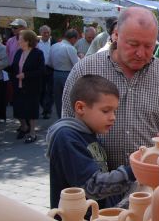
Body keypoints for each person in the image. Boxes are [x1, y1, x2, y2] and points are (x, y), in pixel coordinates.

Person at [62, 7, 159, 170]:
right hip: (95, 178)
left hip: (150, 178)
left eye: (148, 46)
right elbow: (67, 123)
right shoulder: (84, 70)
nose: (140, 53)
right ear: (116, 35)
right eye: (133, 44)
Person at [47, 75, 136, 209]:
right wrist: (135, 170)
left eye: (114, 111)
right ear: (80, 108)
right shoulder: (66, 137)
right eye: (106, 111)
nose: (113, 117)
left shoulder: (88, 133)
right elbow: (92, 186)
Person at [10, 29, 45, 143]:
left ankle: (32, 132)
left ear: (27, 41)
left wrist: (26, 75)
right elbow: (14, 67)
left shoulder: (37, 53)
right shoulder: (19, 52)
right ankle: (24, 127)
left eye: (20, 39)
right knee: (18, 107)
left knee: (31, 109)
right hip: (18, 85)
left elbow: (41, 71)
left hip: (32, 86)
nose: (18, 41)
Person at [49, 29, 79, 118]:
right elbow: (76, 64)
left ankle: (60, 117)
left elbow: (49, 62)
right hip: (67, 75)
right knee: (69, 99)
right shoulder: (70, 48)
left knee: (58, 100)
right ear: (73, 38)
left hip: (55, 74)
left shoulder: (53, 46)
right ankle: (69, 118)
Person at [37, 25, 56, 119]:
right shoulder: (36, 43)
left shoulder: (54, 42)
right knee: (40, 90)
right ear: (40, 33)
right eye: (44, 32)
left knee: (50, 90)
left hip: (50, 68)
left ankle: (47, 110)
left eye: (48, 32)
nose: (46, 34)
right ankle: (44, 106)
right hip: (40, 69)